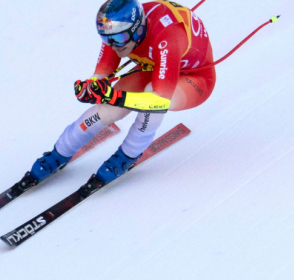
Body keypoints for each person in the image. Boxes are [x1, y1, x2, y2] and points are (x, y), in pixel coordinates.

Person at [23, 0, 215, 188]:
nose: (114, 46)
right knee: (109, 110)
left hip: (194, 78)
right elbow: (101, 73)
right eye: (106, 39)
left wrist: (116, 97)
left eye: (120, 39)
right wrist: (92, 88)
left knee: (151, 101)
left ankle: (127, 156)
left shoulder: (166, 37)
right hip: (154, 65)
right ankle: (59, 153)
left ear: (138, 29)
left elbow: (158, 100)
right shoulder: (117, 30)